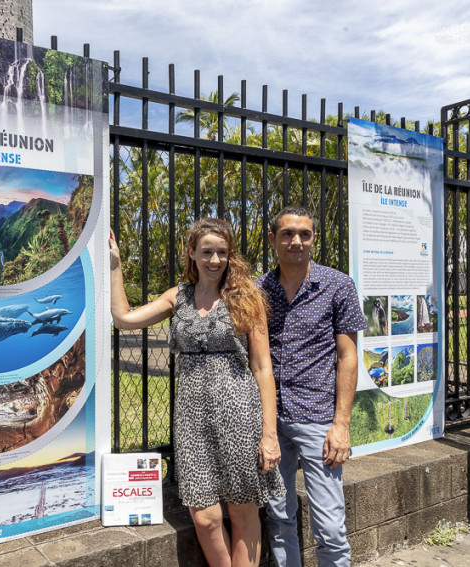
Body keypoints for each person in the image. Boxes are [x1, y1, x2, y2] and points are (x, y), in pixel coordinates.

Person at [110, 218, 284, 567]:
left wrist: (270, 434)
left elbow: (263, 368)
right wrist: (115, 265)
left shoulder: (246, 297)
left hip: (239, 412)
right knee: (205, 516)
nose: (215, 260)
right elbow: (123, 318)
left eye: (222, 252)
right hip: (191, 417)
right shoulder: (178, 297)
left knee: (242, 508)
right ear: (192, 253)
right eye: (206, 252)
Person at [256, 205, 367, 567]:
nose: (296, 241)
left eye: (304, 234)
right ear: (273, 239)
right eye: (287, 233)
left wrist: (342, 425)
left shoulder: (338, 285)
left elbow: (348, 357)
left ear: (313, 239)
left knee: (330, 528)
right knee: (279, 517)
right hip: (270, 421)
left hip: (318, 420)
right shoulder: (258, 289)